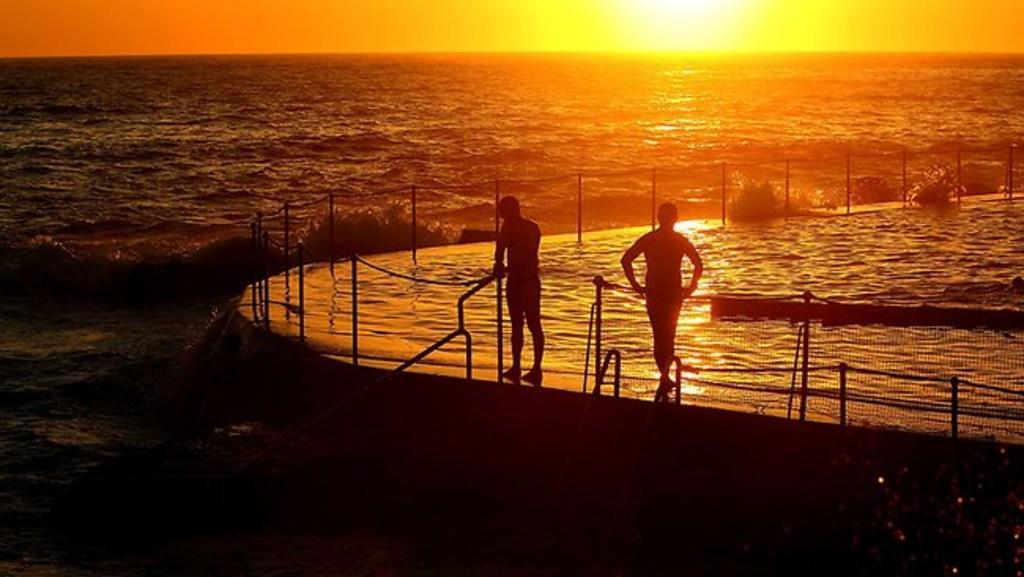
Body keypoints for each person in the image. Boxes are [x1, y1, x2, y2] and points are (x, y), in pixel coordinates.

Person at [621, 203, 703, 401]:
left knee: (661, 336)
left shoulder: (651, 239)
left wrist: (636, 285)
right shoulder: (678, 240)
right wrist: (692, 286)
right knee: (667, 336)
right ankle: (665, 375)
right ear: (674, 219)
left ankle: (664, 375)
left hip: (658, 294)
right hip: (669, 294)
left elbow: (626, 260)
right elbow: (698, 265)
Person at [494, 196, 545, 386]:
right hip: (514, 281)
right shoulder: (506, 228)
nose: (501, 216)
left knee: (533, 324)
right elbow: (500, 251)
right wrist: (498, 265)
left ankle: (536, 367)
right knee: (516, 324)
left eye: (503, 211)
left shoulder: (531, 228)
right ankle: (516, 365)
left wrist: (510, 263)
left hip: (529, 282)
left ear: (513, 210)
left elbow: (529, 253)